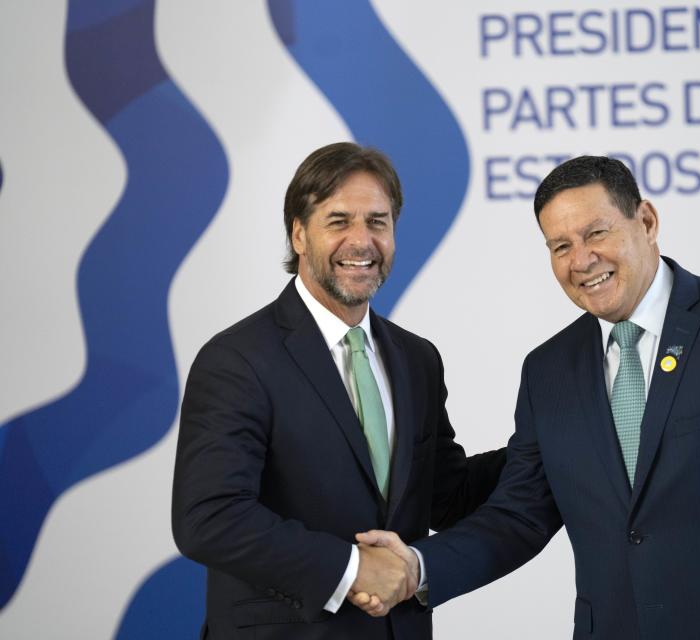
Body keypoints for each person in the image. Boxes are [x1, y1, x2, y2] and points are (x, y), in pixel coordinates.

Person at [353, 155, 700, 639]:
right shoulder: (548, 371)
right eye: (560, 246)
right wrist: (417, 566)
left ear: (647, 220)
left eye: (596, 232)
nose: (582, 259)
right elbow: (519, 515)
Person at [171, 142, 505, 640]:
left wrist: (549, 442)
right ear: (299, 234)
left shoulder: (417, 359)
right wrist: (351, 568)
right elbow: (209, 517)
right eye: (339, 221)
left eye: (378, 222)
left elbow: (446, 496)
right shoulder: (237, 360)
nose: (362, 241)